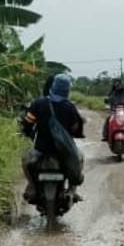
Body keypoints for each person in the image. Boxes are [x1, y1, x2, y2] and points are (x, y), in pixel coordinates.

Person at [20, 73, 85, 203]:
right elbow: (75, 128)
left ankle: (32, 186)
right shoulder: (70, 107)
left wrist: (27, 132)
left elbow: (28, 122)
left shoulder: (38, 103)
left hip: (41, 149)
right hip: (63, 152)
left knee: (25, 161)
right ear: (67, 90)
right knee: (79, 159)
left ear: (53, 86)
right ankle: (72, 190)